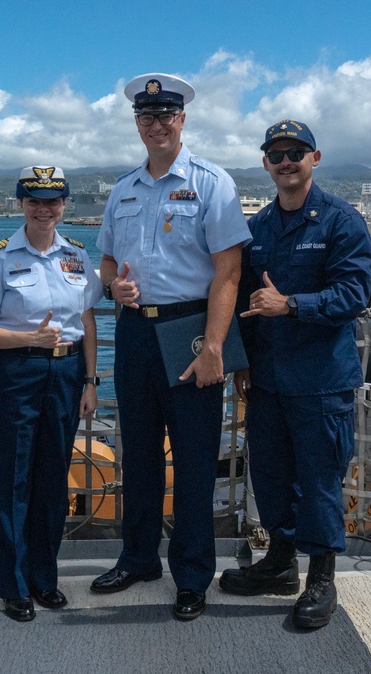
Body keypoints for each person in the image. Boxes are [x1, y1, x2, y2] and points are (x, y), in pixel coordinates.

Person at [90, 73, 252, 621]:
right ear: (137, 123)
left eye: (165, 116)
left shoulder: (212, 183)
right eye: (146, 117)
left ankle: (191, 573)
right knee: (136, 451)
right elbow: (108, 261)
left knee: (195, 458)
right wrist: (114, 286)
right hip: (136, 331)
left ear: (182, 120)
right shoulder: (123, 190)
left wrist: (214, 347)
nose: (156, 125)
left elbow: (228, 272)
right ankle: (138, 558)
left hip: (189, 330)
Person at [219, 120, 371, 629]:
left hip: (321, 381)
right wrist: (240, 362)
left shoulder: (340, 221)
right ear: (265, 163)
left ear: (315, 158)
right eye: (277, 153)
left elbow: (354, 295)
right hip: (267, 381)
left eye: (296, 153)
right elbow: (242, 301)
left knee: (319, 480)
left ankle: (322, 578)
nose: (286, 161)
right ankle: (280, 564)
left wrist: (292, 305)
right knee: (271, 476)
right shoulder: (259, 228)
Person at [0, 166, 102, 622]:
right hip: (14, 374)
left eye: (53, 201)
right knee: (11, 482)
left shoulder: (77, 256)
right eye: (34, 201)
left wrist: (89, 381)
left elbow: (86, 322)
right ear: (20, 204)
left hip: (66, 374)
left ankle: (45, 578)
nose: (44, 209)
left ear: (64, 204)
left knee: (51, 480)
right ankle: (14, 585)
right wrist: (28, 340)